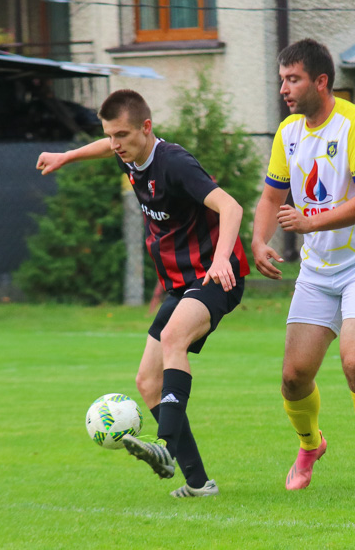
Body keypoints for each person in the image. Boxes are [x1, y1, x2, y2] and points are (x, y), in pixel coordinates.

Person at [35, 89, 250, 496]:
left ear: (146, 128)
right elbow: (105, 146)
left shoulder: (174, 163)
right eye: (111, 136)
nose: (116, 145)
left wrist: (222, 260)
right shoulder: (129, 151)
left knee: (173, 339)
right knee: (147, 380)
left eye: (123, 135)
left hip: (215, 276)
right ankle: (199, 484)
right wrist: (67, 157)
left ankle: (164, 444)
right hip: (181, 283)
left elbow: (232, 207)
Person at [252, 39, 355, 495]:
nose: (285, 89)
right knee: (294, 378)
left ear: (320, 81)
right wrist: (258, 240)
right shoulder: (289, 133)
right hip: (319, 270)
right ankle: (310, 445)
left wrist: (309, 220)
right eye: (282, 80)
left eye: (293, 79)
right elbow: (272, 197)